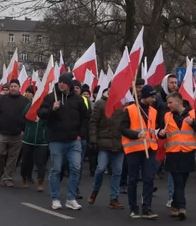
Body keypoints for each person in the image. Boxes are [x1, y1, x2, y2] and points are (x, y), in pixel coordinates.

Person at [38, 72, 89, 211]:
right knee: (56, 169)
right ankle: (55, 198)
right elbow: (40, 114)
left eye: (64, 82)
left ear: (69, 85)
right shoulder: (50, 98)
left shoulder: (77, 100)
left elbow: (85, 118)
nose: (61, 84)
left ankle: (71, 198)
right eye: (60, 82)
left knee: (76, 168)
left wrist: (81, 135)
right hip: (56, 140)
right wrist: (52, 109)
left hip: (74, 140)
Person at [120, 85, 160, 219]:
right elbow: (122, 128)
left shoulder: (154, 111)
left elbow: (153, 129)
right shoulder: (130, 109)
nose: (154, 99)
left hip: (150, 148)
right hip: (134, 149)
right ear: (144, 97)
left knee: (149, 178)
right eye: (152, 97)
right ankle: (133, 207)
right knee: (133, 178)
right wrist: (136, 135)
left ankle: (147, 207)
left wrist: (160, 133)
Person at [161, 91, 196, 220]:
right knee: (178, 181)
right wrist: (160, 133)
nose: (168, 105)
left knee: (182, 182)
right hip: (173, 152)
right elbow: (160, 131)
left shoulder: (192, 114)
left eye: (170, 102)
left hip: (187, 153)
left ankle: (175, 206)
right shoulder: (167, 116)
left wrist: (192, 123)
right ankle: (182, 207)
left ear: (179, 101)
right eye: (168, 103)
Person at [89, 89, 124, 209]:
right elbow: (93, 122)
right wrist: (93, 139)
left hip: (119, 143)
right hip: (104, 142)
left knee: (117, 171)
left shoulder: (124, 104)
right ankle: (95, 190)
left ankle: (114, 198)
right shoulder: (100, 103)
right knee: (100, 168)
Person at [0, 82, 28, 187]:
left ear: (19, 88)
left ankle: (8, 178)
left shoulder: (25, 101)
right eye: (11, 86)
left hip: (17, 134)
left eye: (15, 86)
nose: (13, 88)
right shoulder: (1, 99)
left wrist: (24, 129)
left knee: (12, 158)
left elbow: (28, 116)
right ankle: (0, 171)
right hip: (2, 132)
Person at [19, 87, 49, 190]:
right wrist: (33, 103)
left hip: (42, 139)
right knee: (26, 161)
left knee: (41, 163)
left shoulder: (46, 106)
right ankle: (24, 177)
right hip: (28, 138)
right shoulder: (30, 104)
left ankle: (40, 182)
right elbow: (24, 114)